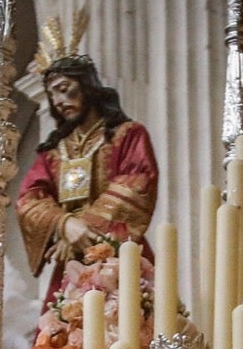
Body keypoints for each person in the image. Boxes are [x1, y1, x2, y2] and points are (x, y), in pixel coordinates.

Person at [16, 19, 159, 302]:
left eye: (64, 88)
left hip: (120, 255)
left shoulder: (127, 135)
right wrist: (63, 224)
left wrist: (83, 226)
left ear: (87, 86)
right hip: (70, 263)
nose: (58, 100)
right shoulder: (53, 153)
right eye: (52, 93)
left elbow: (136, 183)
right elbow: (29, 199)